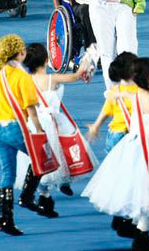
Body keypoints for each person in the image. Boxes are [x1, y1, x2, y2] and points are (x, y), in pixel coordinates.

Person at [84, 57, 149, 250]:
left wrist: (95, 127)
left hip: (114, 137)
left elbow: (105, 112)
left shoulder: (115, 91)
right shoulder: (138, 93)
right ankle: (134, 228)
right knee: (138, 182)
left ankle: (121, 218)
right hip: (132, 138)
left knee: (121, 180)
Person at [15, 43, 95, 212]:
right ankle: (61, 183)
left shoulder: (25, 81)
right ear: (46, 60)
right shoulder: (52, 78)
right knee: (65, 151)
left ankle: (46, 196)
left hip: (34, 124)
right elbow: (76, 76)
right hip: (53, 123)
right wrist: (88, 57)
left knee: (43, 161)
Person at [0, 34, 44, 235]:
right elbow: (31, 109)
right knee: (41, 159)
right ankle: (27, 196)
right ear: (20, 53)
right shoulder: (24, 78)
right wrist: (39, 129)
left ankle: (4, 219)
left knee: (8, 174)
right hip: (16, 128)